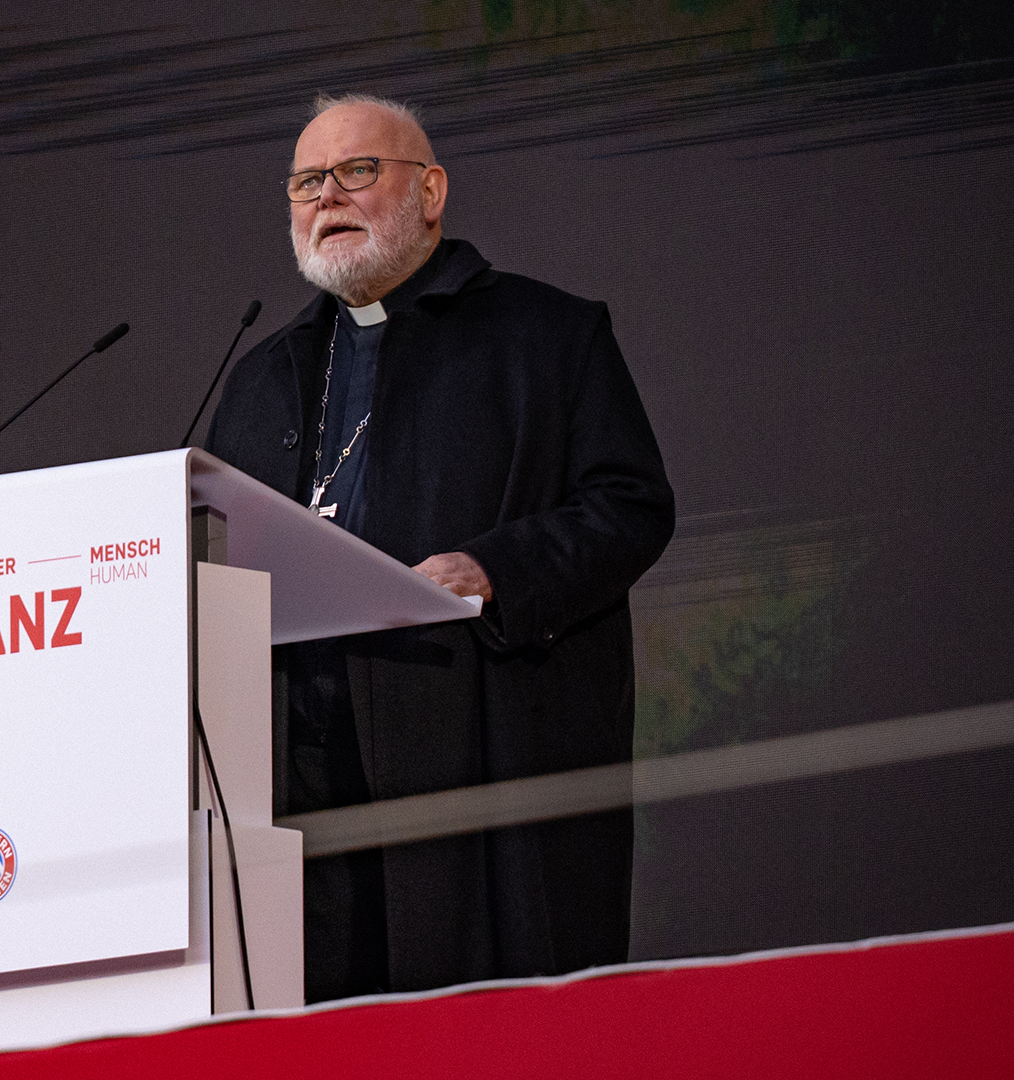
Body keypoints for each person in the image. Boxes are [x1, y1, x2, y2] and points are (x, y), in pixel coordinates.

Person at [205, 94, 675, 1002]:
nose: (327, 196)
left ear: (431, 191)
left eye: (356, 172)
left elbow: (630, 505)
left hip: (477, 748)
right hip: (298, 761)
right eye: (307, 181)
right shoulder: (266, 376)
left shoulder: (546, 337)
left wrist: (496, 569)